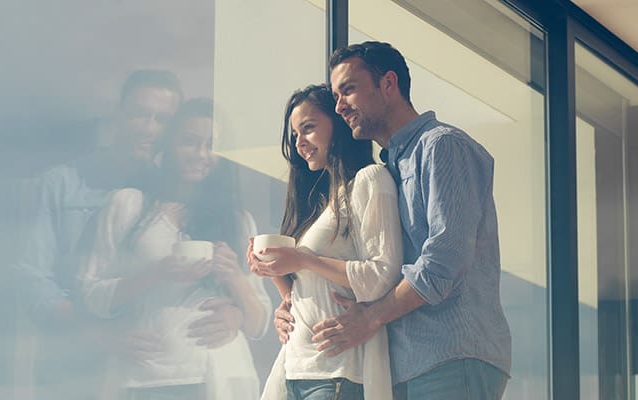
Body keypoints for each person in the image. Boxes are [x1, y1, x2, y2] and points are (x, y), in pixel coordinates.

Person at [291, 42, 512, 399]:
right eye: (335, 95)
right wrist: (291, 304)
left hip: (451, 358)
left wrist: (371, 316)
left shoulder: (442, 146)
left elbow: (444, 261)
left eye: (348, 89)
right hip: (405, 366)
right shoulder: (387, 169)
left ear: (388, 84)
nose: (339, 106)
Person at [78, 97, 271, 400]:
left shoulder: (237, 220)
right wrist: (155, 273)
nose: (201, 154)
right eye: (189, 142)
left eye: (211, 145)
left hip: (219, 371)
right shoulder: (128, 205)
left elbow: (259, 322)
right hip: (145, 375)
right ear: (168, 146)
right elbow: (90, 293)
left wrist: (233, 282)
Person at [8, 69, 183, 399]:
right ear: (117, 115)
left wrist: (231, 311)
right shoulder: (59, 184)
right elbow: (30, 277)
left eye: (162, 120)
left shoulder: (172, 192)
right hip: (72, 366)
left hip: (150, 369)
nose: (149, 129)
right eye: (140, 114)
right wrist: (95, 334)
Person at [248, 84, 403, 400]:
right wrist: (280, 282)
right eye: (295, 134)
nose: (299, 143)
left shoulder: (370, 179)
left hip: (336, 375)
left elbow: (382, 275)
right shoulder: (322, 203)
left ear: (338, 125)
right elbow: (311, 287)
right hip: (294, 369)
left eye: (308, 128)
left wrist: (302, 260)